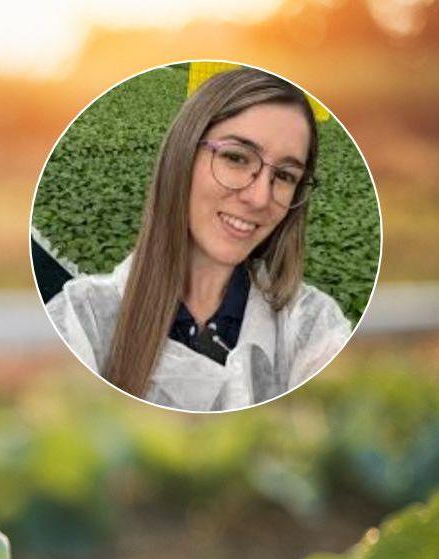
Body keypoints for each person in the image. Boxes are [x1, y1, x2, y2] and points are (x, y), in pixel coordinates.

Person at [45, 67, 353, 412]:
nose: (260, 197)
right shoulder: (81, 319)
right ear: (184, 154)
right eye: (236, 158)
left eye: (284, 175)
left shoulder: (313, 330)